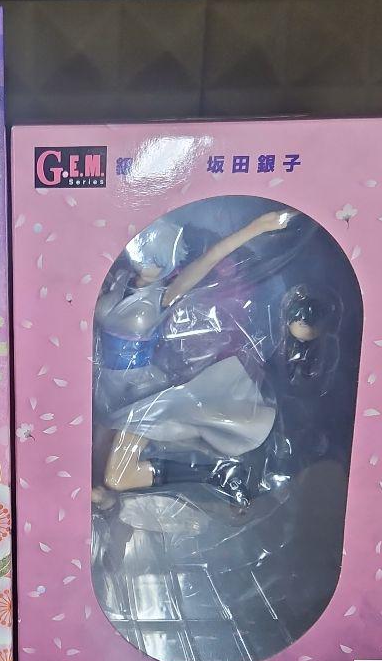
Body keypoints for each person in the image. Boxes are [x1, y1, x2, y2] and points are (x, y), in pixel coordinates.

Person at [93, 209, 293, 505]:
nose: (144, 261)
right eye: (143, 252)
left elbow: (209, 259)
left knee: (118, 476)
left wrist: (257, 227)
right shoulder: (119, 280)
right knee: (96, 468)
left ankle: (216, 474)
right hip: (107, 390)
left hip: (141, 393)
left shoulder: (163, 295)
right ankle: (107, 503)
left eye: (154, 256)